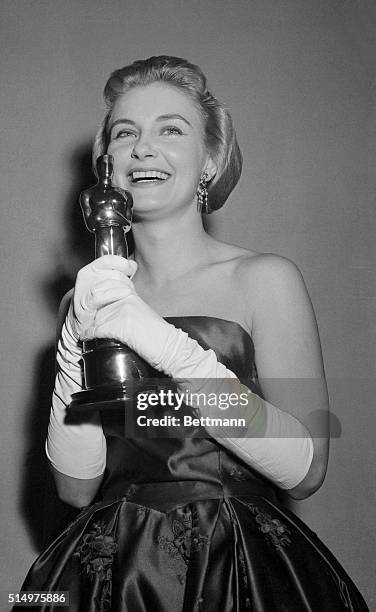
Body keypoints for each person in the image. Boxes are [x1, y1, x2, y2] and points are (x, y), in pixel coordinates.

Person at [19, 56, 368, 611]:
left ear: (210, 160)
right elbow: (77, 489)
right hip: (116, 570)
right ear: (107, 164)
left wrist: (164, 344)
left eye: (171, 129)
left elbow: (306, 468)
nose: (144, 147)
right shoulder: (85, 301)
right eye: (126, 132)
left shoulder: (264, 279)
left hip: (237, 566)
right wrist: (71, 348)